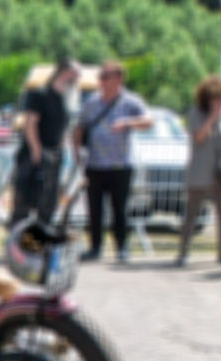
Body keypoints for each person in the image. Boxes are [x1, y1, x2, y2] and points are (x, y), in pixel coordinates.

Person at [73, 60, 152, 263]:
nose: (101, 80)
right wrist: (76, 154)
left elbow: (148, 120)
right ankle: (95, 247)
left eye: (105, 76)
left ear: (118, 78)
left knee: (120, 210)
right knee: (94, 210)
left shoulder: (130, 101)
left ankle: (122, 247)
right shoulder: (92, 102)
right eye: (101, 76)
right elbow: (79, 127)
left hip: (120, 165)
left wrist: (128, 122)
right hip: (94, 165)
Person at [175, 76, 221, 267]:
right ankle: (183, 252)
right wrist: (212, 117)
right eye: (218, 99)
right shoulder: (195, 114)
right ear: (208, 99)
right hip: (200, 172)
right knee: (192, 214)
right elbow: (199, 137)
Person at [11, 60, 77, 225]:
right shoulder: (39, 94)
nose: (76, 77)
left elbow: (63, 127)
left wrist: (62, 148)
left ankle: (39, 245)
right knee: (26, 201)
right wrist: (36, 150)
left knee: (48, 203)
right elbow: (30, 124)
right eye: (74, 72)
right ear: (63, 72)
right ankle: (18, 244)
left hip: (54, 155)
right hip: (35, 154)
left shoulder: (64, 98)